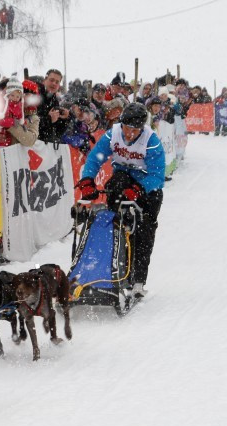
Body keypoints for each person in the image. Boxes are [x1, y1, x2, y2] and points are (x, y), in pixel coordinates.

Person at [75, 102, 165, 300]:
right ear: (121, 123)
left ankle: (138, 280)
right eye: (127, 128)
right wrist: (88, 180)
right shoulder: (112, 134)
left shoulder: (152, 141)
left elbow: (158, 176)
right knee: (113, 223)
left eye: (135, 130)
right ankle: (112, 271)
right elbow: (95, 157)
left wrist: (140, 189)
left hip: (147, 187)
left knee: (144, 231)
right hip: (123, 179)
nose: (130, 133)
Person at [38, 69, 71, 144]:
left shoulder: (54, 101)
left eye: (57, 82)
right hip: (33, 146)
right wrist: (49, 119)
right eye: (51, 80)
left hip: (46, 146)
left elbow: (57, 132)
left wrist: (64, 119)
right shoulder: (35, 96)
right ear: (45, 80)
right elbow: (30, 124)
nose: (54, 84)